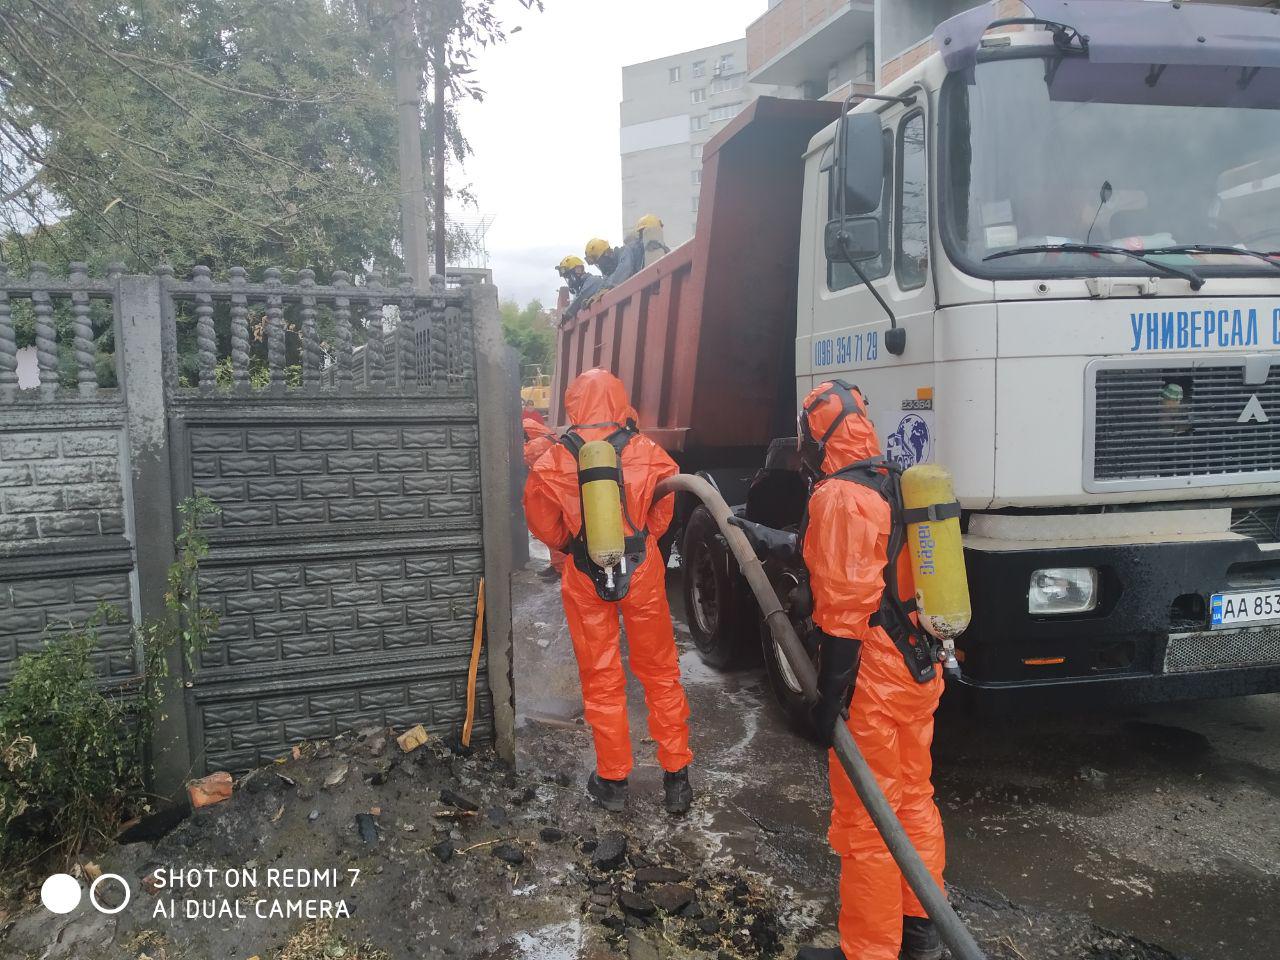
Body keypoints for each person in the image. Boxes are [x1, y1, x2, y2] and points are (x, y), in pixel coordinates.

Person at [794, 380, 947, 960]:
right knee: (913, 799)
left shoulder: (839, 496)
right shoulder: (896, 480)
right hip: (918, 672)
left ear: (819, 433)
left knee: (867, 823)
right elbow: (873, 566)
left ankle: (869, 952)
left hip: (874, 682)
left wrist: (829, 699)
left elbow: (842, 609)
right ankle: (921, 930)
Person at [523, 368, 694, 815]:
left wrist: (574, 549)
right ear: (620, 400)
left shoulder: (554, 459)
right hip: (642, 572)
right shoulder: (648, 451)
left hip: (584, 574)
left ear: (573, 404)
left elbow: (542, 523)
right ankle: (677, 778)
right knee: (659, 672)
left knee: (601, 677)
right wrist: (639, 546)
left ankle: (613, 781)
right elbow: (662, 514)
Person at [521, 415, 566, 580]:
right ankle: (557, 566)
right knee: (553, 533)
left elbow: (522, 454)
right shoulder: (547, 438)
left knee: (553, 532)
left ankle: (561, 569)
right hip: (552, 489)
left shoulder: (540, 443)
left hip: (551, 491)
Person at [556, 255, 606, 323]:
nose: (569, 281)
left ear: (578, 270)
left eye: (569, 276)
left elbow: (580, 299)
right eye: (567, 278)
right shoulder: (582, 287)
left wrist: (565, 315)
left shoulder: (593, 281)